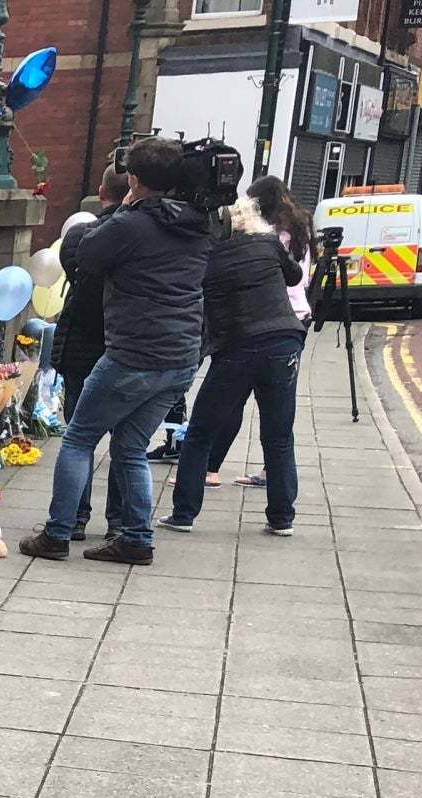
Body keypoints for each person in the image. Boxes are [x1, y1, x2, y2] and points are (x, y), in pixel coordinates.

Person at [22, 138, 213, 567]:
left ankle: (57, 533)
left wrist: (127, 207)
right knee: (130, 446)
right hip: (181, 357)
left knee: (79, 438)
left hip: (134, 353)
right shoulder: (199, 222)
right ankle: (136, 538)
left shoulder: (130, 224)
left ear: (135, 178)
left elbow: (86, 254)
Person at [159, 179, 303, 536]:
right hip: (284, 342)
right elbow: (295, 275)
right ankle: (282, 518)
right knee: (279, 435)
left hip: (237, 347)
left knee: (202, 432)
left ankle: (184, 514)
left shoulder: (207, 256)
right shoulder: (269, 244)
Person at [54, 168, 131, 537]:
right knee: (127, 442)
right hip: (130, 350)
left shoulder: (80, 236)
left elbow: (77, 269)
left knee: (79, 437)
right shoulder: (150, 241)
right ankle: (119, 521)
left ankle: (73, 519)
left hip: (84, 349)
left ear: (100, 192)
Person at [230, 174, 313, 489]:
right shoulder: (300, 228)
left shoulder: (270, 235)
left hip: (269, 315)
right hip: (298, 317)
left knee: (237, 397)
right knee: (280, 403)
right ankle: (271, 472)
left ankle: (207, 468)